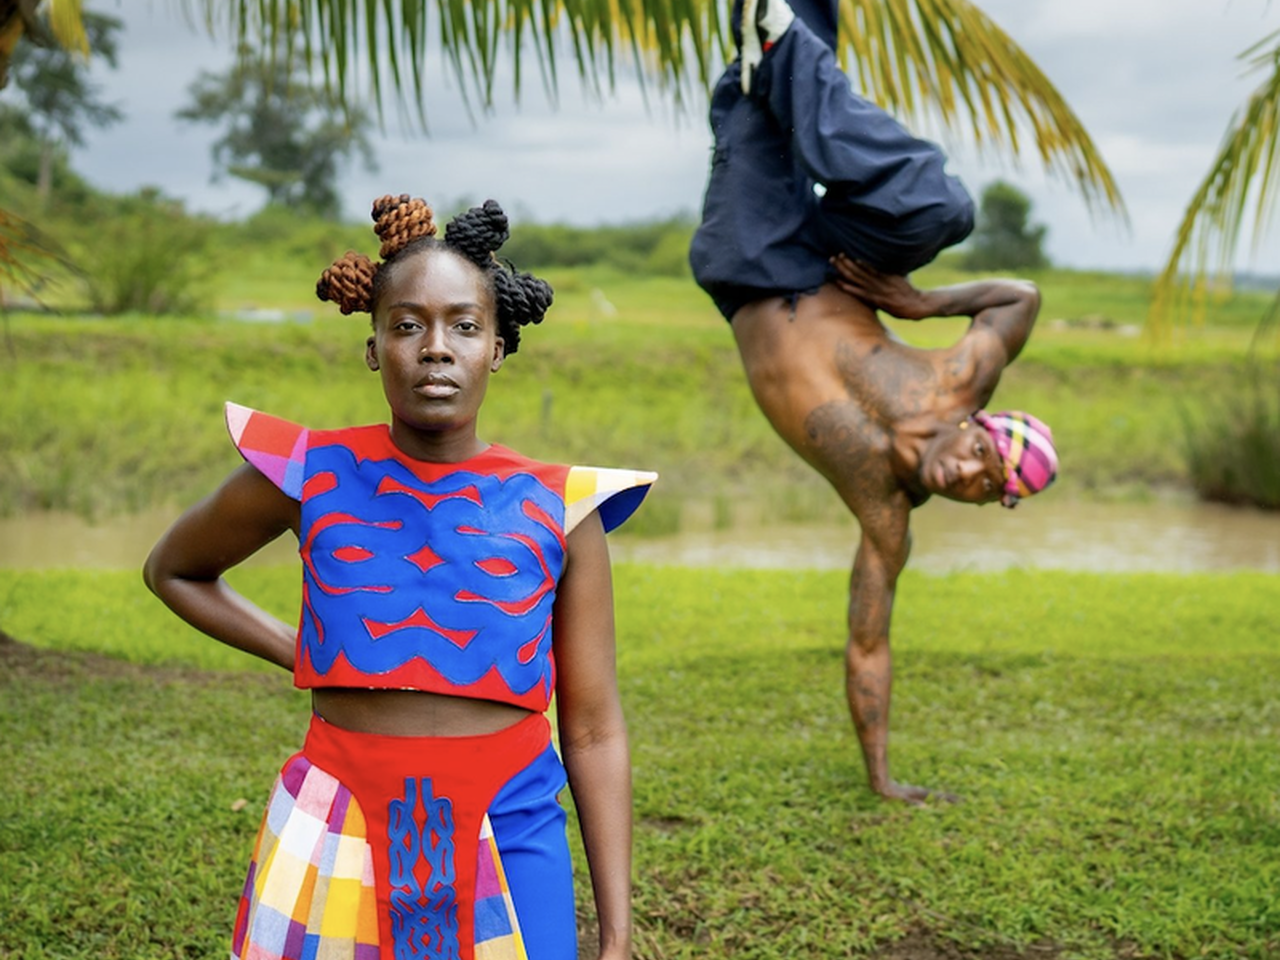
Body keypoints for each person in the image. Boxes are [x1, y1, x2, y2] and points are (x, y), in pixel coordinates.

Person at [145, 194, 656, 960]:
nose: (436, 348)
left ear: (497, 348)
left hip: (511, 824)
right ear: (374, 346)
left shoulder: (560, 507)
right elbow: (175, 571)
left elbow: (592, 728)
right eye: (408, 325)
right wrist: (299, 648)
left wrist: (615, 934)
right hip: (335, 820)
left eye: (464, 326)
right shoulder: (309, 474)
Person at [689, 0, 1058, 804]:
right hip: (835, 260)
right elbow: (1021, 297)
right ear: (979, 428)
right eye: (982, 456)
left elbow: (868, 645)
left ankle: (779, 39)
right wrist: (922, 305)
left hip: (750, 262)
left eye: (983, 487)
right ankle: (786, 36)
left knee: (758, 86)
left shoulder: (884, 512)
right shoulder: (958, 381)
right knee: (943, 209)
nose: (968, 473)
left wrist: (882, 779)